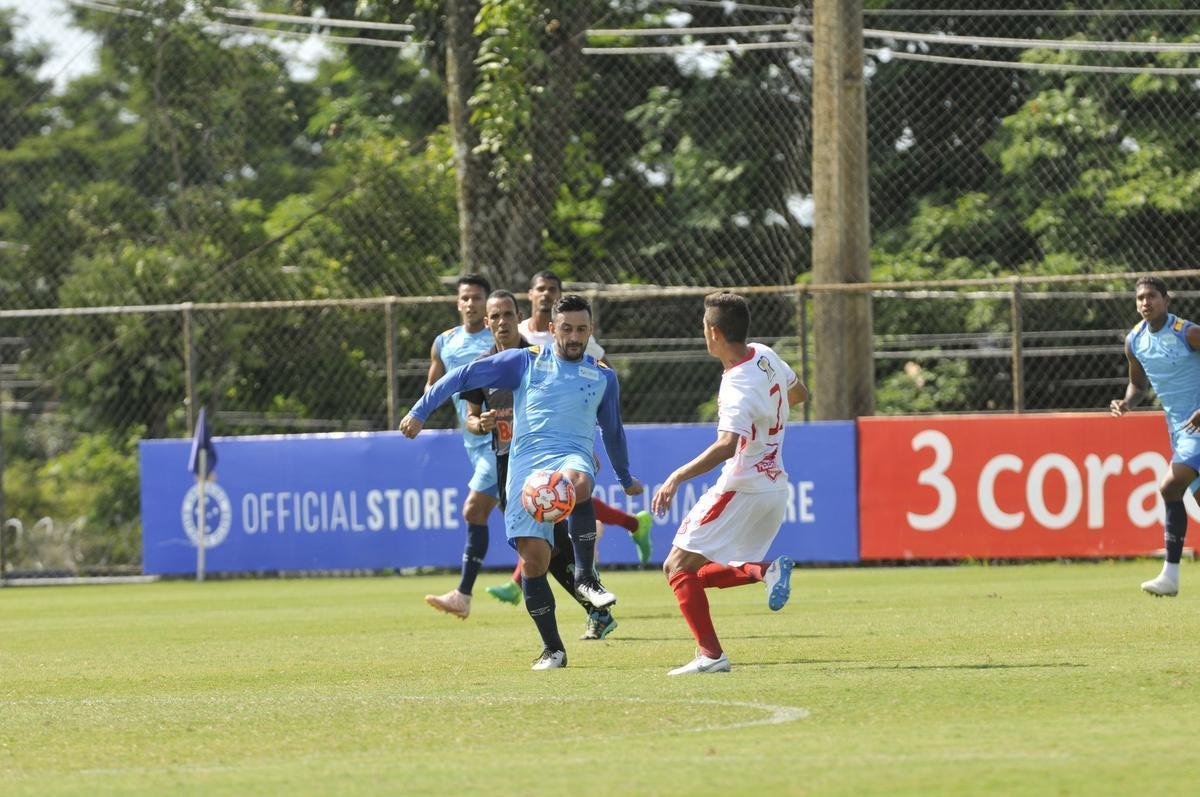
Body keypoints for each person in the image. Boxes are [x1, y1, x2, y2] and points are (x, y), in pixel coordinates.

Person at [401, 294, 644, 670]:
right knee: (534, 560)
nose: (575, 336)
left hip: (571, 455)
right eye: (567, 329)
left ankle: (586, 577)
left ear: (590, 330)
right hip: (525, 470)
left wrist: (625, 476)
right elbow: (463, 376)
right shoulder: (525, 362)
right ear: (552, 330)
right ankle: (553, 649)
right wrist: (420, 411)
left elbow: (613, 431)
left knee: (578, 482)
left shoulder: (602, 376)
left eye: (582, 329)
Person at [651, 292, 808, 676]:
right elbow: (800, 393)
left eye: (705, 327)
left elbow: (726, 446)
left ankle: (711, 655)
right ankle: (762, 572)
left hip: (742, 486)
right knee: (689, 571)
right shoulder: (764, 354)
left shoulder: (735, 384)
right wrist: (768, 414)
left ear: (715, 332)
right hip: (775, 487)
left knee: (675, 566)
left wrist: (675, 477)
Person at [462, 290, 619, 641]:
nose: (502, 322)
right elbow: (470, 417)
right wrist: (479, 424)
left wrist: (578, 445)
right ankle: (593, 608)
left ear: (519, 318)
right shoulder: (486, 364)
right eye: (495, 317)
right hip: (509, 464)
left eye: (508, 315)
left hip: (550, 466)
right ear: (486, 323)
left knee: (552, 547)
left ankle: (592, 603)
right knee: (539, 549)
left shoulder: (535, 355)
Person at [509, 269, 653, 566]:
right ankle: (627, 526)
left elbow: (595, 386)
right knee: (544, 503)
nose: (546, 293)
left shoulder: (583, 344)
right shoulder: (517, 335)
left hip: (564, 441)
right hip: (516, 439)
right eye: (540, 288)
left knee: (556, 497)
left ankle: (582, 576)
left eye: (552, 288)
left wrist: (585, 433)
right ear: (530, 295)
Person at [1111, 275, 1200, 597]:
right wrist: (1127, 402)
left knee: (1169, 486)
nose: (1145, 302)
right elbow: (1138, 384)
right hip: (1179, 430)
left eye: (1151, 296)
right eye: (1140, 298)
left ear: (1167, 300)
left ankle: (1170, 576)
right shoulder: (1134, 340)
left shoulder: (1187, 333)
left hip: (1199, 427)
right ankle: (1171, 578)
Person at [420, 274, 497, 620]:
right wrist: (418, 415)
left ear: (487, 303)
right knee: (534, 521)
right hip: (473, 441)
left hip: (500, 439)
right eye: (465, 298)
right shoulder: (444, 342)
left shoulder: (498, 337)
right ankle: (591, 540)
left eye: (477, 298)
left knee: (473, 511)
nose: (470, 303)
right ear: (457, 302)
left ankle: (463, 595)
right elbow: (432, 387)